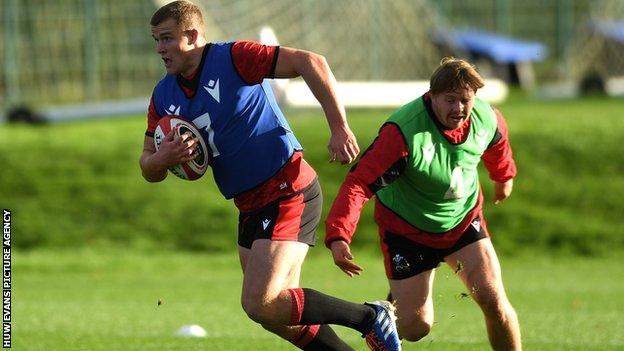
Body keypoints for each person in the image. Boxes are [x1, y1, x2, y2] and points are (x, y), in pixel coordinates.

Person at [139, 1, 401, 350]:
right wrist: (162, 159)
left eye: (167, 39)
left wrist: (339, 127)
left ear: (193, 35)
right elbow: (147, 166)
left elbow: (312, 62)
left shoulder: (234, 58)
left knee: (261, 302)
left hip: (287, 188)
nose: (160, 49)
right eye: (156, 40)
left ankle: (368, 317)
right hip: (248, 204)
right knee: (275, 314)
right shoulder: (163, 95)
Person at [325, 57, 522, 350]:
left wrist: (503, 175)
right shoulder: (404, 132)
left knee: (494, 300)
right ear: (432, 96)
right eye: (450, 100)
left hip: (463, 222)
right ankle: (382, 317)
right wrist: (339, 235)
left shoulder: (485, 117)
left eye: (465, 100)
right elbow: (359, 183)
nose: (459, 109)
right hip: (407, 232)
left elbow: (497, 143)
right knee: (416, 327)